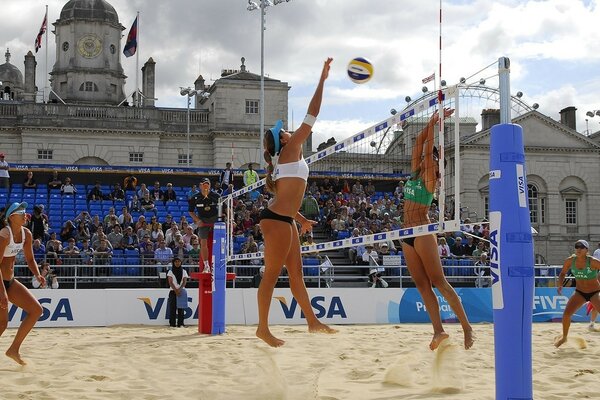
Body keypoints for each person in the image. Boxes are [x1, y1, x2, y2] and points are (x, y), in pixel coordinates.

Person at [257, 58, 336, 347]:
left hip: (284, 218)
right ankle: (262, 329)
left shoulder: (287, 158)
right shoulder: (290, 149)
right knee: (272, 275)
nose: (288, 129)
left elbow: (286, 196)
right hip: (277, 220)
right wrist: (323, 79)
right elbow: (313, 113)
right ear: (282, 140)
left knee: (296, 274)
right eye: (284, 130)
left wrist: (300, 219)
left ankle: (312, 322)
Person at [401, 108, 473, 350]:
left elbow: (426, 146)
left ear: (433, 161)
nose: (422, 158)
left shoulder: (430, 177)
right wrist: (431, 122)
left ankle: (467, 328)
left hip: (422, 231)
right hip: (405, 235)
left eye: (428, 157)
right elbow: (419, 144)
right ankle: (438, 331)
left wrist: (434, 129)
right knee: (422, 286)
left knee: (439, 282)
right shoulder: (414, 173)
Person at [0, 202, 45, 365]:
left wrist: (38, 275)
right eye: (21, 213)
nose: (26, 215)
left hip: (9, 281)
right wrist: (2, 292)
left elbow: (30, 259)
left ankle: (14, 350)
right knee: (2, 324)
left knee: (36, 310)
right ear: (11, 217)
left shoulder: (26, 234)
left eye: (25, 212)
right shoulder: (4, 235)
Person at [555, 239, 600, 347]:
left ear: (587, 250)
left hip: (595, 292)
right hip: (580, 292)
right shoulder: (570, 261)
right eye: (577, 247)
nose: (578, 249)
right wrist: (560, 285)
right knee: (566, 315)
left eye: (581, 247)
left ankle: (591, 325)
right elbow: (562, 273)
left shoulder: (592, 261)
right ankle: (564, 337)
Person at [188, 178, 221, 273]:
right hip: (202, 219)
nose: (206, 186)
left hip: (215, 218)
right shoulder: (195, 197)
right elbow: (190, 211)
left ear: (210, 186)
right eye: (204, 184)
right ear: (200, 186)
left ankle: (220, 264)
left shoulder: (216, 196)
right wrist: (198, 221)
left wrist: (229, 220)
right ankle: (206, 266)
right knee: (203, 242)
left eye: (208, 184)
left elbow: (225, 208)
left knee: (220, 241)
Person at [167, 257, 188, 327]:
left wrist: (179, 289)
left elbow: (184, 282)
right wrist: (176, 290)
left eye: (179, 261)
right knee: (172, 308)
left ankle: (180, 323)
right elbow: (170, 282)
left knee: (181, 309)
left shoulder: (184, 271)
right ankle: (172, 324)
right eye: (176, 261)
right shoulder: (170, 271)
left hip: (181, 291)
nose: (177, 263)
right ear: (173, 263)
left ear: (181, 262)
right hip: (173, 291)